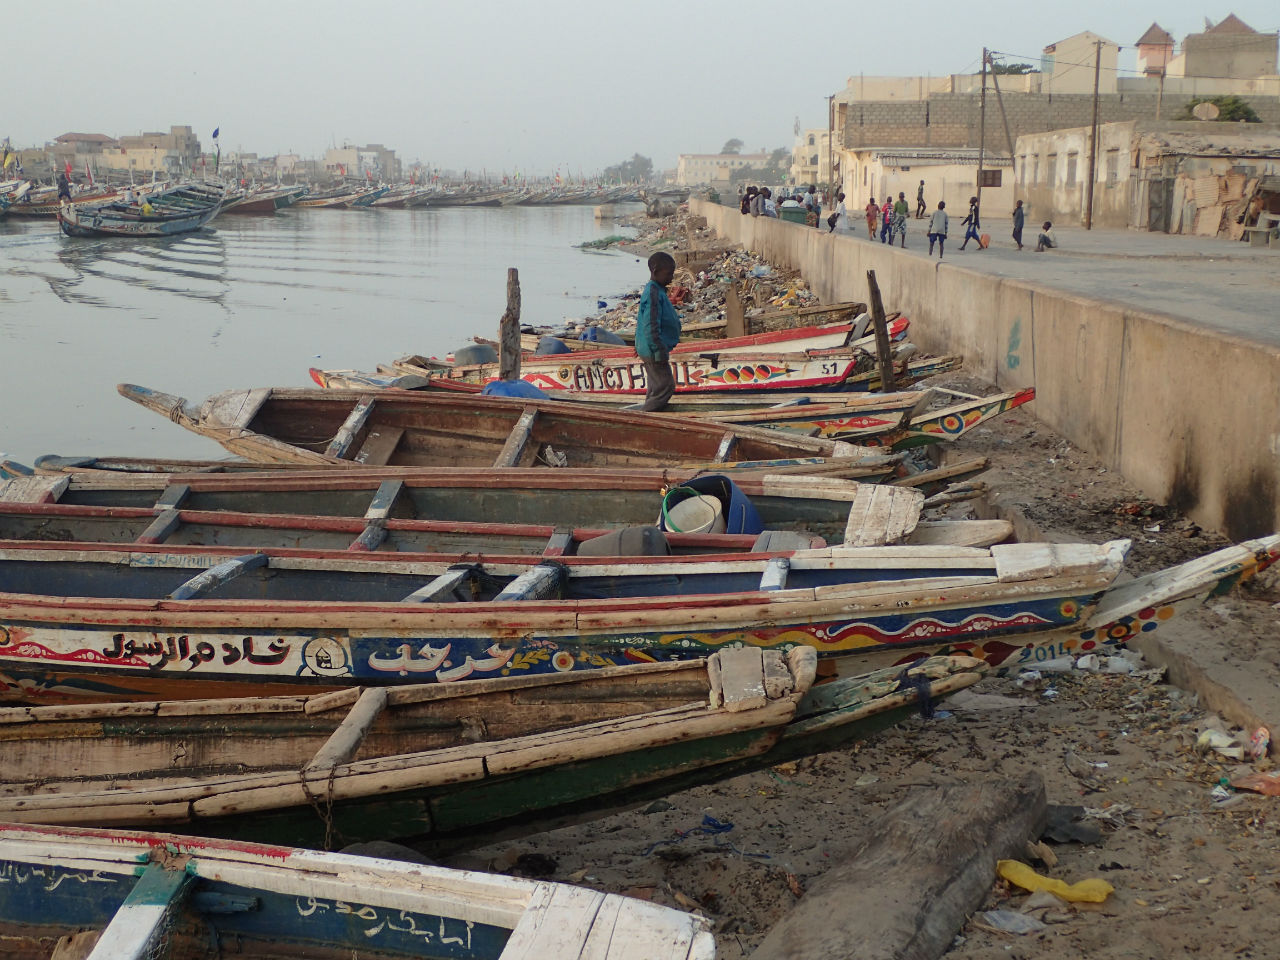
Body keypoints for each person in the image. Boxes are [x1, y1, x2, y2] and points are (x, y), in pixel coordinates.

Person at [635, 251, 681, 411]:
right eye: (668, 274)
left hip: (650, 348)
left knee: (656, 387)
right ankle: (647, 416)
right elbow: (650, 324)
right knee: (665, 386)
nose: (671, 278)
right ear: (655, 271)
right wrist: (659, 350)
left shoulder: (658, 290)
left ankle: (651, 411)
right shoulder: (653, 293)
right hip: (654, 350)